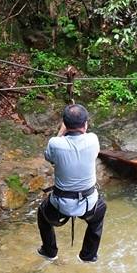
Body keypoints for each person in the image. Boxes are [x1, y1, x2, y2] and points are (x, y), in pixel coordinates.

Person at [36, 104, 106, 262]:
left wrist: (62, 131)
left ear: (65, 124)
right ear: (85, 124)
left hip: (61, 204)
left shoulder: (55, 143)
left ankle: (49, 251)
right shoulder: (93, 140)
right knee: (100, 212)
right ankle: (88, 255)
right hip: (89, 203)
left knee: (43, 214)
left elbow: (49, 157)